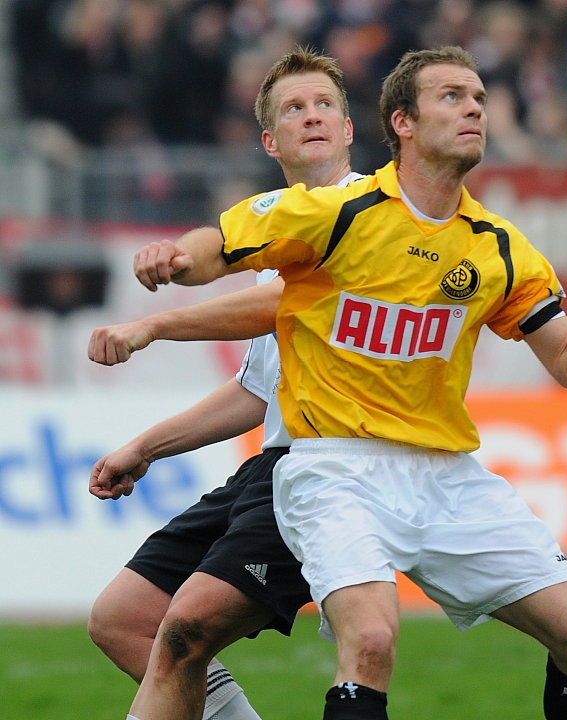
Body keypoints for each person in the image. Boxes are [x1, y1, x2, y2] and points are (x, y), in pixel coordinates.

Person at [130, 46, 567, 720]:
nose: (474, 109)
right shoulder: (336, 211)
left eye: (479, 98)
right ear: (403, 122)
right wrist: (175, 259)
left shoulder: (498, 246)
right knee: (369, 640)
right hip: (334, 469)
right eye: (452, 97)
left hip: (445, 475)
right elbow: (218, 245)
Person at [87, 47, 364, 720]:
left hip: (337, 466)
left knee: (187, 627)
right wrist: (146, 448)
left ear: (349, 128)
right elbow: (254, 392)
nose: (312, 116)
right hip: (274, 466)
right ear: (270, 141)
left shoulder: (373, 214)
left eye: (325, 104)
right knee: (123, 619)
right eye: (294, 108)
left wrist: (155, 324)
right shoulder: (271, 233)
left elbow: (281, 305)